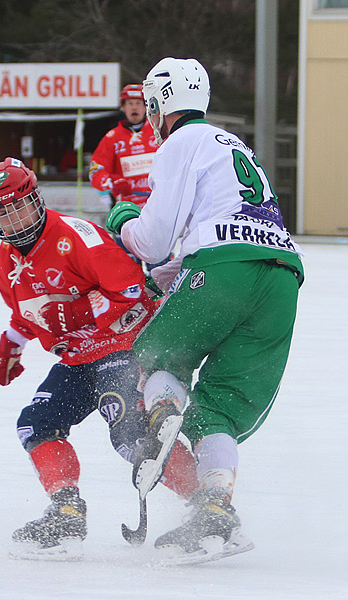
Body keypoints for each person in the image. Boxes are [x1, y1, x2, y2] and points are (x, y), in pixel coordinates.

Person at [105, 58, 304, 564]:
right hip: (282, 277)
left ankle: (164, 413)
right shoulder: (234, 145)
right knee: (217, 410)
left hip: (224, 269)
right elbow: (214, 234)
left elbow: (151, 241)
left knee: (154, 357)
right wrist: (173, 271)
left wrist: (125, 218)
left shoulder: (179, 143)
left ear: (157, 106)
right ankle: (215, 508)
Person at [0, 157, 197, 560]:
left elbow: (131, 290)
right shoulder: (6, 261)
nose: (14, 219)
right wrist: (10, 345)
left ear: (36, 199)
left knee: (131, 434)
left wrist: (78, 312)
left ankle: (206, 504)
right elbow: (28, 311)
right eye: (2, 213)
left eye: (19, 206)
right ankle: (66, 511)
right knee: (36, 423)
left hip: (122, 345)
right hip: (77, 359)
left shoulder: (75, 235)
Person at [89, 83, 158, 208]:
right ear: (123, 108)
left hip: (157, 205)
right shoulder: (112, 137)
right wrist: (112, 182)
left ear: (145, 107)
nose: (134, 108)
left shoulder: (158, 132)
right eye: (130, 104)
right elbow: (95, 171)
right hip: (126, 208)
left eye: (138, 103)